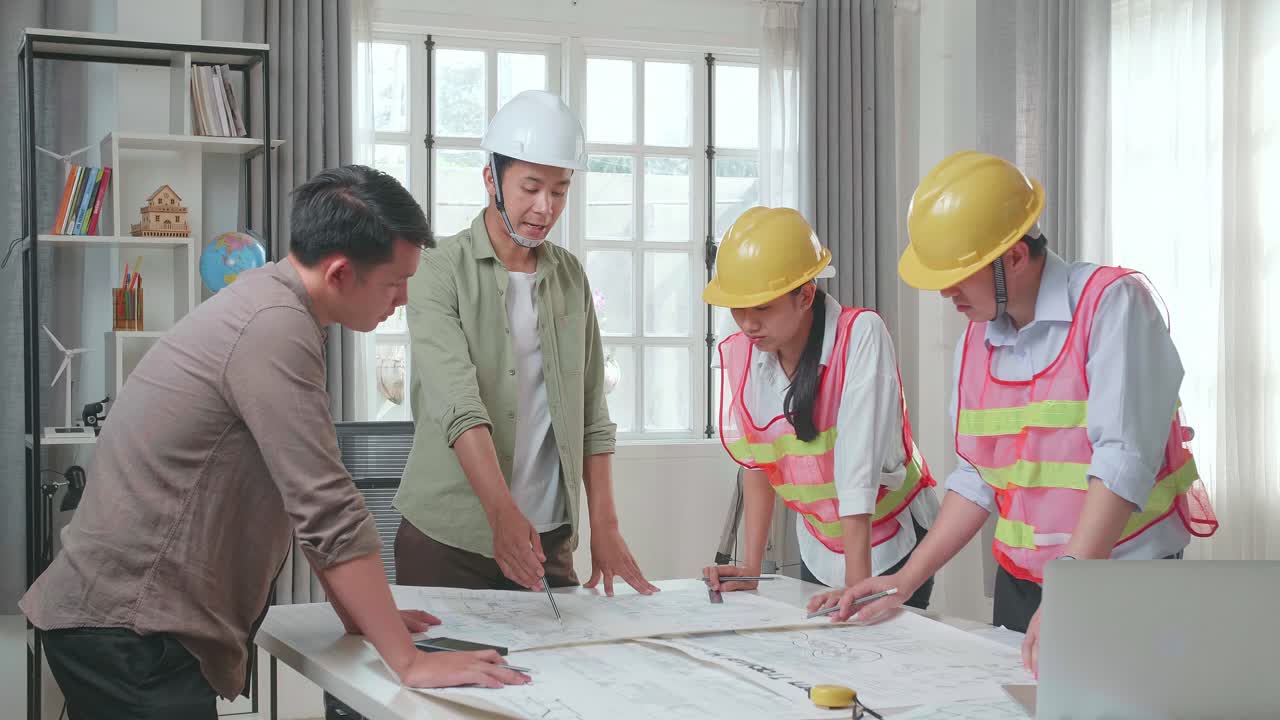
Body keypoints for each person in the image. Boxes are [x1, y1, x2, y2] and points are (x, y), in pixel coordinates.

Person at [19, 166, 529, 720]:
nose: (403, 299)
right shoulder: (274, 327)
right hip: (129, 628)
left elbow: (302, 491)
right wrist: (407, 661)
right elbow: (325, 504)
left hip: (120, 622)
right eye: (394, 283)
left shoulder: (272, 305)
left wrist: (363, 618)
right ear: (338, 273)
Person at [808, 151, 1218, 674]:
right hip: (1023, 585)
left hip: (1121, 580)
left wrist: (1072, 587)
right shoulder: (977, 340)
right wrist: (904, 580)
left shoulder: (1112, 305)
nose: (944, 290)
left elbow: (1123, 460)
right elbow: (977, 477)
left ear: (1016, 258)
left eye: (958, 274)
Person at [394, 90, 656, 597]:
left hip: (546, 541)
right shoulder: (437, 270)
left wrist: (604, 525)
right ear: (491, 178)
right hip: (449, 544)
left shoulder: (569, 278)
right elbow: (458, 407)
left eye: (560, 191)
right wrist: (501, 514)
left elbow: (591, 412)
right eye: (531, 187)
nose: (545, 208)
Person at [700, 207, 941, 606]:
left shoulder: (860, 335)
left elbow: (857, 468)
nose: (747, 323)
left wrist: (856, 586)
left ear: (806, 296)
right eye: (738, 308)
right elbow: (759, 465)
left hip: (886, 545)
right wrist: (752, 567)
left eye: (762, 307)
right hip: (819, 547)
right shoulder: (747, 352)